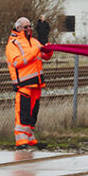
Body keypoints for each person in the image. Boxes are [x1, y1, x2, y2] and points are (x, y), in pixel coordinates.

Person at [5, 17, 53, 150]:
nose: (29, 29)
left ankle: (30, 138)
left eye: (30, 26)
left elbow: (45, 56)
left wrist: (48, 46)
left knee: (33, 113)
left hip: (36, 83)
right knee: (23, 112)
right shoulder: (13, 44)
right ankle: (21, 141)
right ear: (18, 28)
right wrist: (35, 50)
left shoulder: (34, 41)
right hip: (24, 84)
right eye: (26, 27)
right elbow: (17, 62)